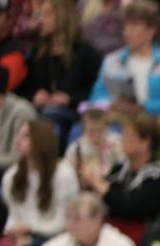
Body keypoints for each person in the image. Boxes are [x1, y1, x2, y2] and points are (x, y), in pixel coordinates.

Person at [80, 113, 160, 243]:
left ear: (145, 143)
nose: (122, 139)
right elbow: (104, 198)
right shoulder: (120, 167)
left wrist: (97, 183)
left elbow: (131, 209)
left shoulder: (158, 176)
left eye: (128, 136)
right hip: (112, 233)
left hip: (142, 239)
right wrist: (89, 184)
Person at [19, 0, 102, 143]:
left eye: (47, 14)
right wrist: (35, 95)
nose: (41, 20)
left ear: (62, 16)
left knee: (50, 121)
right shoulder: (39, 51)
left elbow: (97, 93)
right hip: (42, 110)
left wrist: (70, 99)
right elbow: (24, 88)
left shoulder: (86, 52)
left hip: (73, 113)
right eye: (40, 14)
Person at [87, 0, 160, 118]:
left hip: (153, 122)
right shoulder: (111, 61)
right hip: (116, 119)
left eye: (134, 26)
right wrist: (112, 104)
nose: (127, 32)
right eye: (126, 25)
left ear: (151, 30)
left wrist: (142, 107)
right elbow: (95, 97)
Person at [2, 119, 79, 246]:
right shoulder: (11, 175)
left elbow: (64, 221)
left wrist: (30, 230)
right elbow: (11, 215)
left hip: (55, 238)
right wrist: (15, 231)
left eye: (26, 136)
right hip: (20, 237)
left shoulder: (64, 174)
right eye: (18, 134)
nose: (18, 139)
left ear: (41, 140)